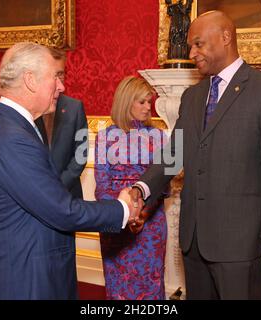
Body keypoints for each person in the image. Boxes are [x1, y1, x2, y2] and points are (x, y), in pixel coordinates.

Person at [130, 11, 261, 299]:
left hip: (240, 245)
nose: (192, 53)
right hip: (193, 241)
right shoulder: (192, 96)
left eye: (198, 44)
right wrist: (142, 187)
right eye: (189, 47)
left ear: (225, 38)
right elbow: (174, 153)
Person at [0, 42, 141, 300]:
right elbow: (63, 211)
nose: (61, 87)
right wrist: (123, 208)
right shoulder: (12, 138)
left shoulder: (10, 125)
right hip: (28, 282)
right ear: (30, 80)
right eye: (55, 78)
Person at [95, 76, 168, 300]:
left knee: (150, 287)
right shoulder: (104, 137)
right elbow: (102, 185)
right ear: (127, 102)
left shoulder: (160, 137)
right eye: (142, 102)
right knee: (118, 288)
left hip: (151, 225)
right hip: (115, 221)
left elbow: (165, 186)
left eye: (150, 102)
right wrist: (125, 213)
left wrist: (142, 214)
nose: (149, 107)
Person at [35, 48, 88, 199]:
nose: (59, 79)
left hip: (69, 193)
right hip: (37, 193)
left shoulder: (75, 108)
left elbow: (81, 154)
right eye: (54, 74)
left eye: (61, 73)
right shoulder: (31, 107)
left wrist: (60, 184)